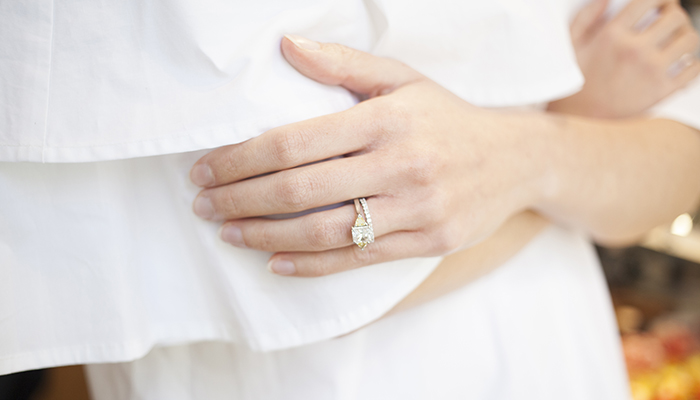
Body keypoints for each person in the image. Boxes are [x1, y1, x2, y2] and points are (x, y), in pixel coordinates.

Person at [0, 0, 698, 399]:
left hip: (555, 363)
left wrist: (523, 153)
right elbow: (296, 275)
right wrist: (574, 137)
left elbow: (682, 158)